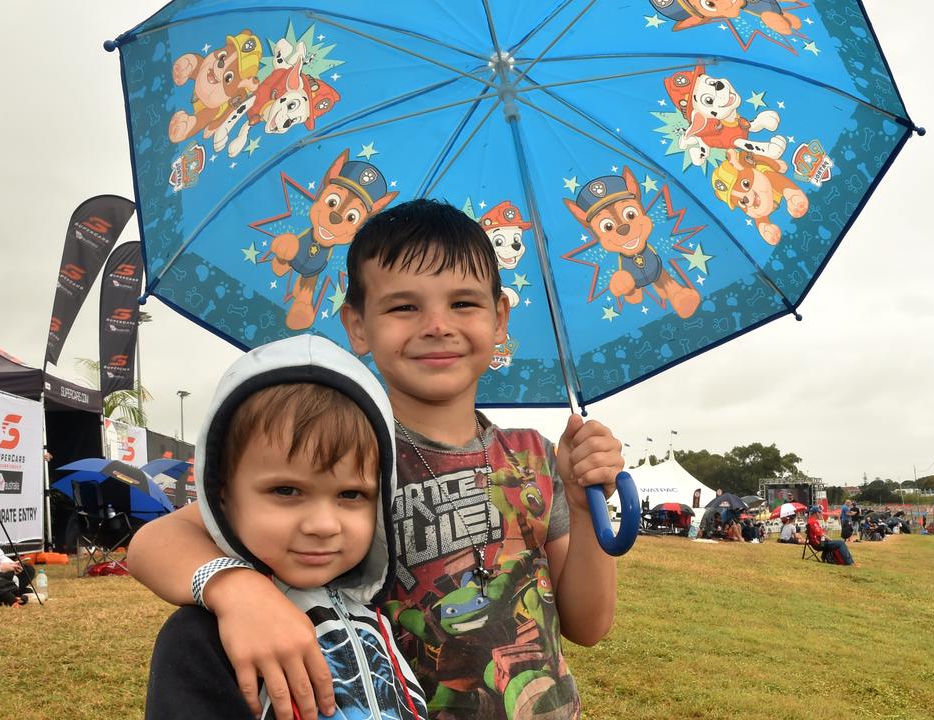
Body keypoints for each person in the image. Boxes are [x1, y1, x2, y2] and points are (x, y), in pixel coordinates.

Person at [127, 199, 624, 720]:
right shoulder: (342, 453)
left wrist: (583, 505)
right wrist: (238, 591)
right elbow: (155, 542)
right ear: (358, 325)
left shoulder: (536, 457)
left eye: (464, 303)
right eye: (404, 307)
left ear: (499, 318)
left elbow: (587, 626)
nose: (437, 325)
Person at [144, 335, 429, 720]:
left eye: (351, 494)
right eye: (286, 490)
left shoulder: (376, 619)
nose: (323, 525)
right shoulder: (201, 637)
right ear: (222, 496)